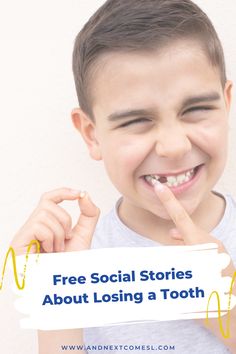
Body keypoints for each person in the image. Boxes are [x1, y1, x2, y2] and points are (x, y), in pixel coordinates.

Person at [11, 0, 236, 353]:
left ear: (226, 103)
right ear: (91, 133)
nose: (174, 147)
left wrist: (227, 308)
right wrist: (56, 294)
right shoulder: (76, 261)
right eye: (136, 121)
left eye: (196, 109)